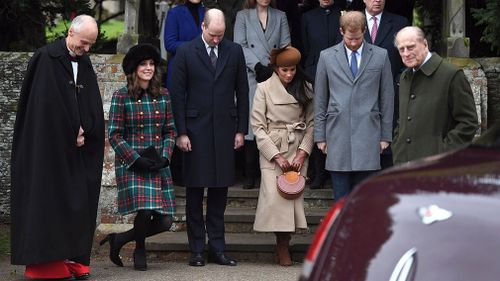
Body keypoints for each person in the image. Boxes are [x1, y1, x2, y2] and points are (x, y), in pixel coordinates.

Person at [10, 15, 104, 280]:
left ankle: (73, 256)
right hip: (49, 150)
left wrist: (86, 126)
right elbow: (43, 108)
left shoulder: (84, 62)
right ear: (71, 34)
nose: (86, 49)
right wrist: (69, 130)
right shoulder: (45, 59)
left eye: (91, 45)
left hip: (79, 150)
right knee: (49, 200)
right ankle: (44, 262)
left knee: (79, 197)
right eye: (84, 43)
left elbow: (90, 102)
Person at [170, 8, 249, 267]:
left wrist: (241, 130)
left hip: (226, 129)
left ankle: (217, 248)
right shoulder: (185, 52)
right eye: (213, 34)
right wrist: (180, 132)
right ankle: (196, 250)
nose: (217, 39)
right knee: (194, 193)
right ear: (203, 27)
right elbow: (177, 95)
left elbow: (242, 91)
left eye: (221, 35)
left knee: (219, 193)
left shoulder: (234, 51)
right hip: (194, 131)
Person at [103, 44, 176, 271]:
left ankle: (121, 239)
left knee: (166, 221)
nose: (148, 68)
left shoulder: (163, 94)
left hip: (157, 161)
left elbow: (170, 131)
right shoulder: (121, 96)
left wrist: (165, 156)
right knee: (145, 209)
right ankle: (140, 249)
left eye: (151, 64)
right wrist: (134, 158)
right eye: (143, 64)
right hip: (132, 162)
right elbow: (114, 134)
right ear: (134, 69)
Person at [314, 11, 394, 201]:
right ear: (341, 31)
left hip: (369, 135)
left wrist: (385, 135)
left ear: (364, 31)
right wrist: (320, 135)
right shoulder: (326, 57)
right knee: (341, 200)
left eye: (358, 38)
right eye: (350, 38)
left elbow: (387, 97)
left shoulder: (381, 56)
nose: (353, 42)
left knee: (365, 201)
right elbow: (320, 99)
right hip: (336, 135)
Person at [251, 47, 313, 266]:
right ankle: (281, 245)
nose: (289, 74)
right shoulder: (263, 88)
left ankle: (286, 242)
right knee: (277, 199)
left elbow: (313, 123)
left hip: (297, 147)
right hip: (273, 149)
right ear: (275, 69)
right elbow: (257, 126)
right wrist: (276, 156)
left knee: (293, 196)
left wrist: (303, 152)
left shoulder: (306, 87)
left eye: (292, 69)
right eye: (284, 70)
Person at [392, 26, 478, 164]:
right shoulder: (404, 77)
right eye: (402, 49)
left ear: (425, 44)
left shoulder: (451, 75)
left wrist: (443, 153)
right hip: (404, 166)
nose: (406, 53)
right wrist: (397, 148)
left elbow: (468, 122)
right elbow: (402, 120)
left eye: (411, 47)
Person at [234, 0, 290, 189]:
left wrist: (274, 66)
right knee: (252, 122)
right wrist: (257, 66)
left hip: (274, 75)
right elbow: (239, 45)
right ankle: (249, 173)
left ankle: (270, 173)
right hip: (252, 75)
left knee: (272, 122)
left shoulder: (280, 15)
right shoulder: (243, 16)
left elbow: (285, 45)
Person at [301, 0, 343, 189]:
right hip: (313, 75)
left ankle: (336, 172)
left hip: (339, 75)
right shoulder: (307, 17)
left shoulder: (343, 15)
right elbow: (303, 47)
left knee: (337, 123)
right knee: (317, 122)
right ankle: (317, 173)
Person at [363, 0, 409, 169]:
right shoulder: (353, 21)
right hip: (360, 92)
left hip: (390, 91)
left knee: (388, 143)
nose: (377, 0)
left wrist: (398, 82)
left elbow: (407, 56)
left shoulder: (400, 23)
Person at [163, 0, 205, 90]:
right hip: (180, 70)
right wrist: (196, 46)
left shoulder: (208, 13)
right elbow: (170, 44)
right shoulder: (174, 13)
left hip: (203, 71)